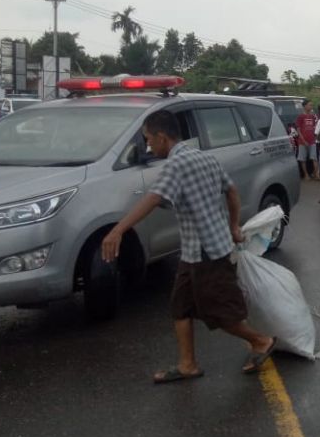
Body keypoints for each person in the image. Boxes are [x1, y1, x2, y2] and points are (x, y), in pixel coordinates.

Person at [101, 111, 276, 383]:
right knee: (180, 308)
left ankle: (261, 341)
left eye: (149, 139)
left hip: (208, 250)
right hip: (195, 249)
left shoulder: (176, 165)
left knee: (219, 312)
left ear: (162, 137)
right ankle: (188, 365)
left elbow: (153, 197)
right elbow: (231, 191)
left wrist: (117, 230)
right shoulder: (205, 157)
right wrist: (233, 225)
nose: (148, 146)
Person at [295, 100, 319, 181]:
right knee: (303, 159)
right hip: (302, 141)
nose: (311, 107)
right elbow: (298, 130)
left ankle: (316, 174)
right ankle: (306, 175)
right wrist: (303, 140)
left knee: (314, 158)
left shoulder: (312, 116)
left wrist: (315, 138)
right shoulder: (300, 116)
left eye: (311, 105)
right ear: (304, 106)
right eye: (309, 105)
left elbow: (314, 127)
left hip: (312, 140)